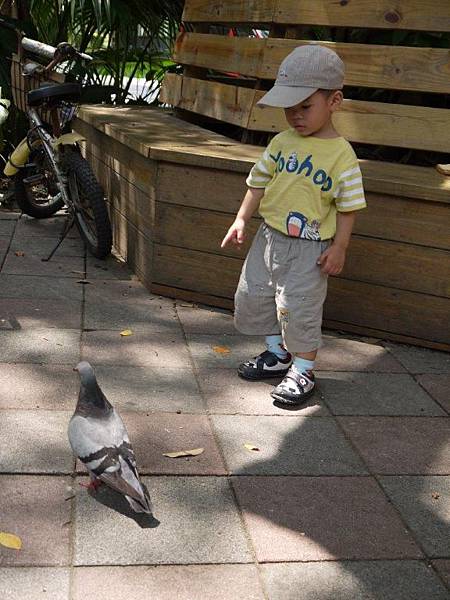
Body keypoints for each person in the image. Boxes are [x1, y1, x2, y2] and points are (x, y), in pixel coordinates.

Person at [221, 44, 366, 407]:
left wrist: (341, 247)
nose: (296, 116)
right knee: (255, 295)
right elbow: (258, 183)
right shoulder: (281, 143)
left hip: (311, 249)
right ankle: (277, 354)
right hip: (269, 238)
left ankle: (303, 368)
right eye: (290, 107)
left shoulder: (341, 155)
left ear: (334, 101)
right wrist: (241, 219)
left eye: (305, 106)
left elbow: (348, 207)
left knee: (298, 307)